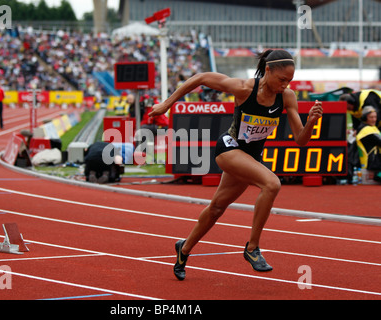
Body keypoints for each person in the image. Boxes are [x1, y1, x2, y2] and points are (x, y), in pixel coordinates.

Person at [149, 49, 323, 279]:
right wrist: (166, 104)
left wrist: (310, 122)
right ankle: (252, 248)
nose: (285, 85)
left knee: (216, 209)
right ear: (268, 70)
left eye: (289, 81)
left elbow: (301, 141)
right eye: (282, 80)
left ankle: (185, 248)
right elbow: (201, 78)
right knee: (272, 184)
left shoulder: (287, 97)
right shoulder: (243, 88)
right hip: (229, 148)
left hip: (250, 158)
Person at [356, 106, 381, 181]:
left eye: (375, 117)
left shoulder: (372, 128)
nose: (374, 120)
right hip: (372, 161)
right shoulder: (366, 130)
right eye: (371, 117)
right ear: (365, 118)